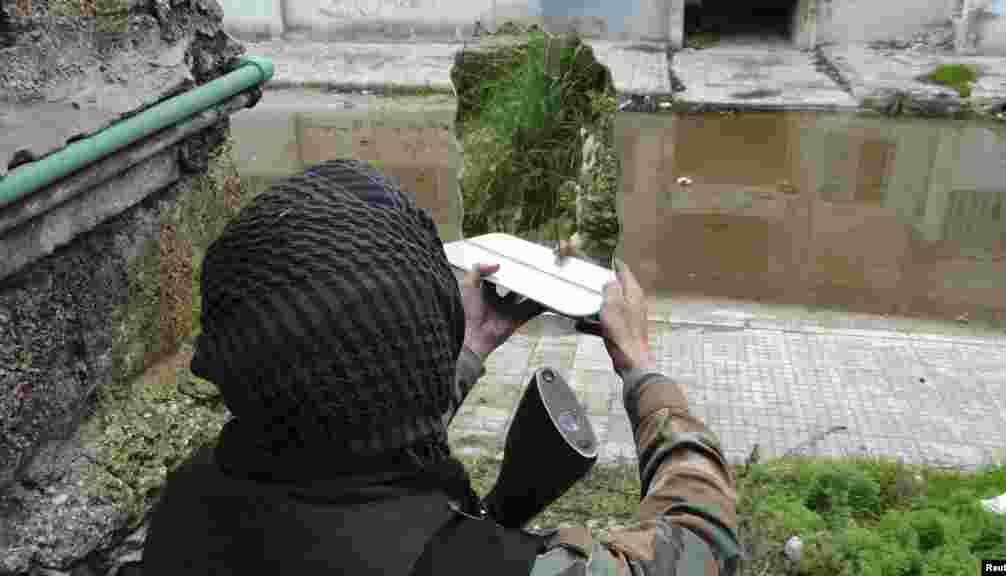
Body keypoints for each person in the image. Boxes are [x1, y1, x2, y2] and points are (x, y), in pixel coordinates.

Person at [141, 159, 741, 575]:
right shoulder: (476, 566)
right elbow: (700, 544)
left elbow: (355, 436)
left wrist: (470, 347)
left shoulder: (189, 501)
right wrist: (640, 368)